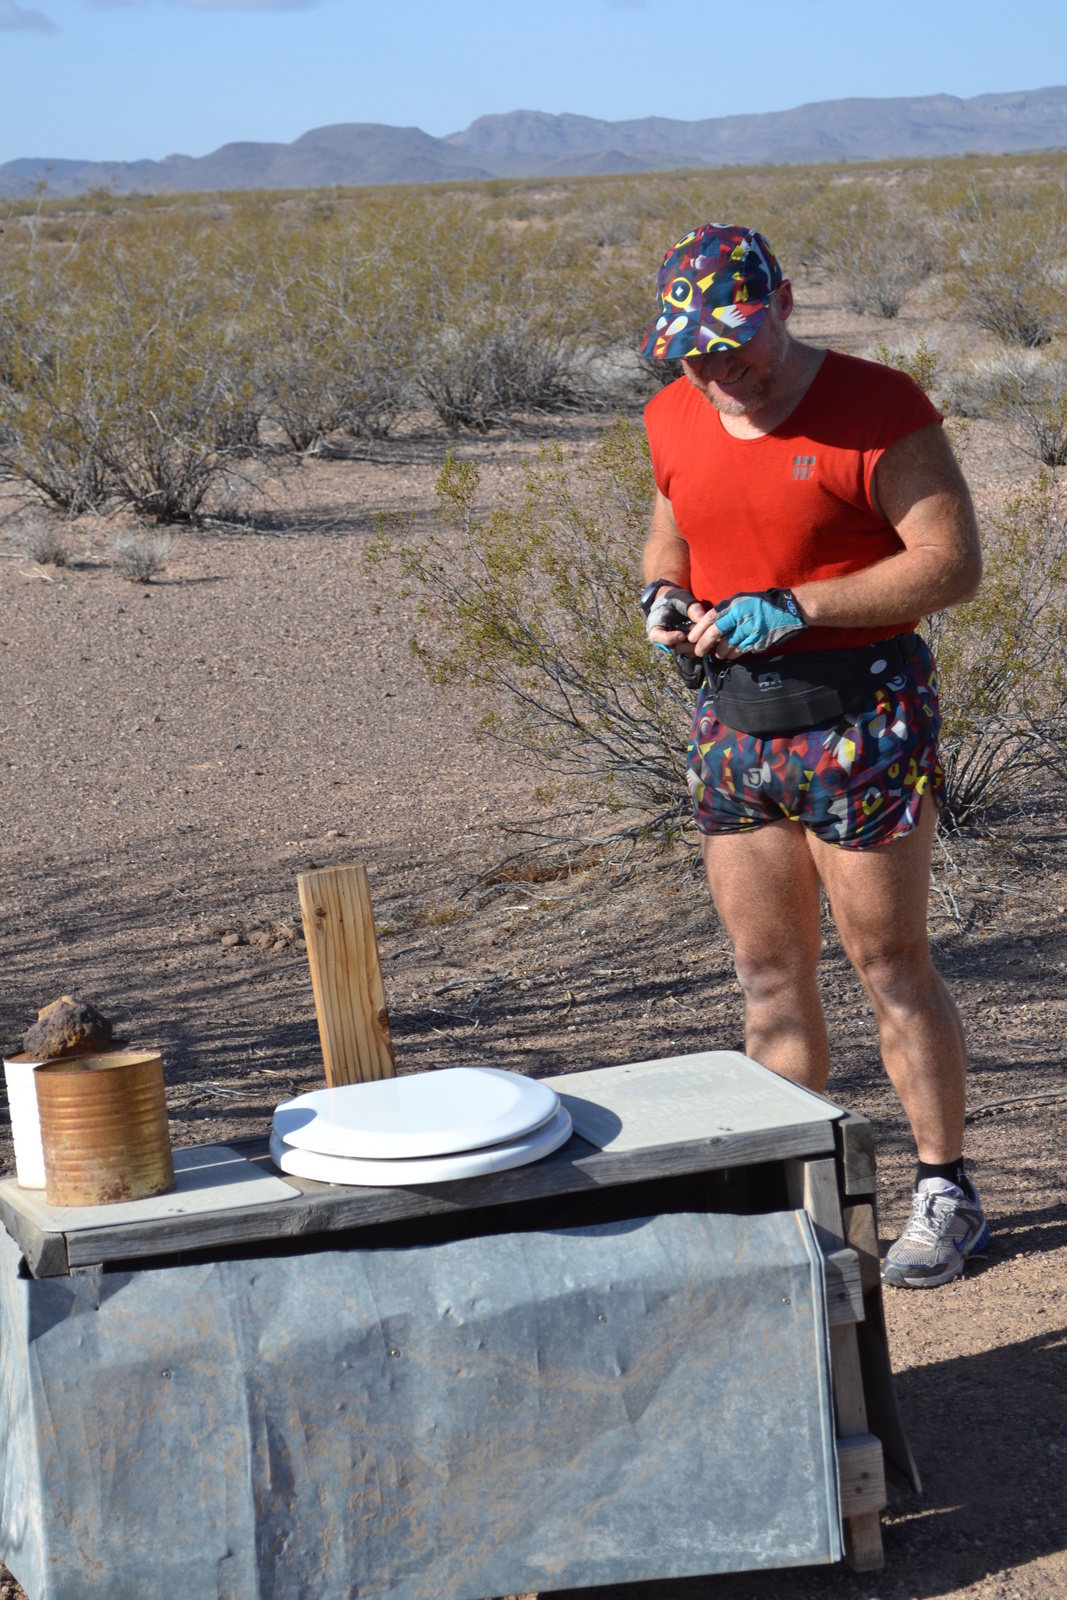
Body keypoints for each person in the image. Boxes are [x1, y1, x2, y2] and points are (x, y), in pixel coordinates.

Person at [639, 223, 988, 1289]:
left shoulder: (878, 407)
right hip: (733, 726)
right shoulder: (673, 412)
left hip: (862, 717)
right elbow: (672, 520)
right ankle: (795, 1197)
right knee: (766, 976)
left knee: (890, 965)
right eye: (694, 354)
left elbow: (949, 564)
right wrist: (663, 591)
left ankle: (944, 1188)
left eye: (734, 343)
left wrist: (794, 606)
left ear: (782, 304)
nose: (718, 370)